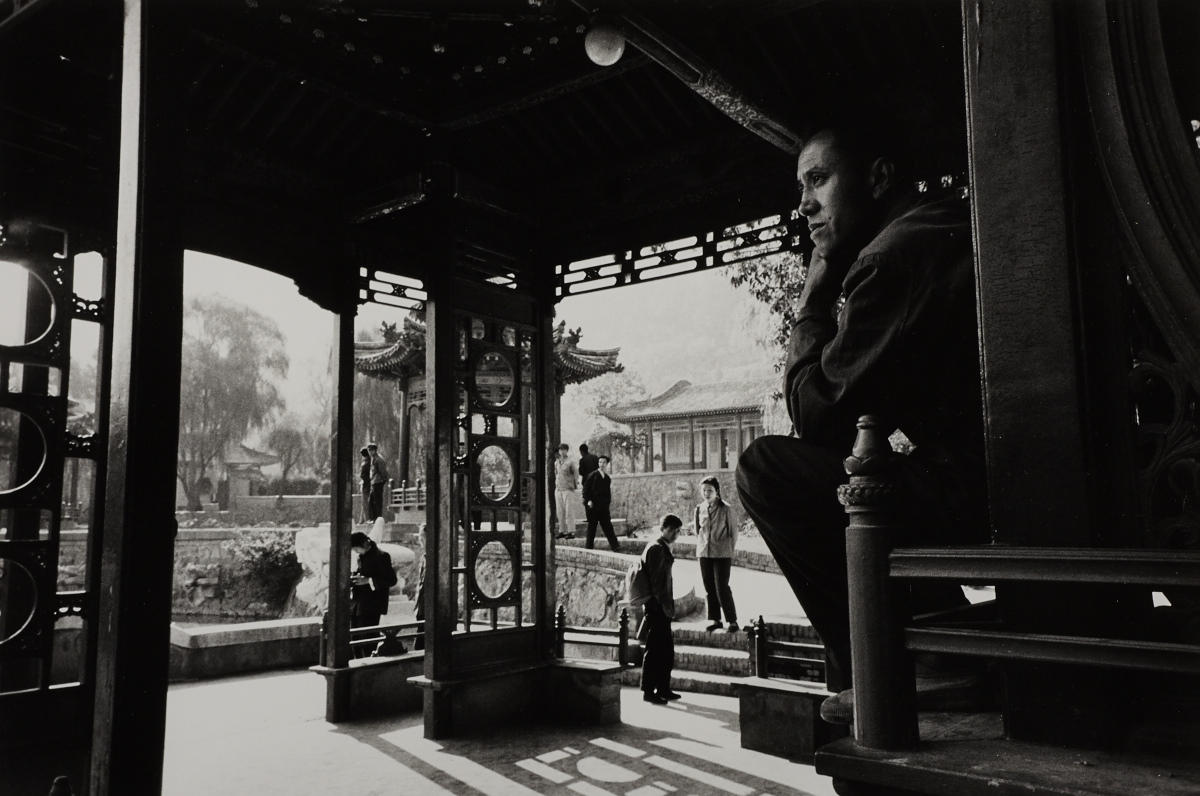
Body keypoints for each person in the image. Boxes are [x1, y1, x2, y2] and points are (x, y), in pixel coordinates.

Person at [734, 111, 989, 723]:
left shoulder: (891, 258)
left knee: (766, 469)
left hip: (982, 489)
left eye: (818, 180)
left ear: (877, 178)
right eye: (801, 187)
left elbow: (816, 414)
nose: (804, 204)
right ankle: (938, 643)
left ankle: (888, 666)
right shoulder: (941, 227)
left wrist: (813, 298)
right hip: (1001, 475)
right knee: (872, 471)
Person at [635, 513, 683, 704]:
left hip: (662, 606)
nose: (675, 534)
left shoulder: (661, 546)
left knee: (665, 650)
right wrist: (662, 606)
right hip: (657, 607)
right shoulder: (656, 548)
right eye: (672, 530)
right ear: (663, 529)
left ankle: (663, 687)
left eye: (678, 531)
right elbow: (656, 582)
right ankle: (648, 690)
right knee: (655, 650)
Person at [695, 476, 739, 633]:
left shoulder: (726, 509)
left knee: (722, 587)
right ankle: (716, 620)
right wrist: (702, 548)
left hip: (722, 554)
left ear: (717, 491)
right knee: (709, 587)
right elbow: (698, 531)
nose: (706, 493)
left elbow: (733, 533)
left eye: (710, 490)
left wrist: (728, 551)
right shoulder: (699, 508)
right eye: (704, 490)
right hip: (704, 553)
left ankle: (732, 621)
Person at [350, 531, 398, 628]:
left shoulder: (382, 556)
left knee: (368, 635)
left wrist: (369, 581)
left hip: (372, 605)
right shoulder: (361, 557)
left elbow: (392, 580)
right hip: (357, 604)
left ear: (364, 544)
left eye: (356, 549)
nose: (355, 551)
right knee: (355, 634)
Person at [582, 455, 621, 552]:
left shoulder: (607, 478)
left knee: (608, 527)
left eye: (604, 462)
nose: (602, 464)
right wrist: (589, 500)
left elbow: (608, 493)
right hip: (593, 506)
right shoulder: (592, 475)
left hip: (603, 507)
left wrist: (607, 504)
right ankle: (588, 548)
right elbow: (585, 490)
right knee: (592, 527)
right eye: (600, 462)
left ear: (607, 464)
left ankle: (615, 546)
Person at [553, 443, 578, 539]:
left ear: (567, 450)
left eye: (564, 449)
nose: (562, 451)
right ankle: (562, 531)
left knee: (569, 511)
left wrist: (574, 486)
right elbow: (556, 474)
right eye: (560, 450)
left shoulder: (570, 462)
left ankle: (571, 531)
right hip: (559, 489)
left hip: (568, 489)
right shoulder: (557, 462)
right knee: (560, 512)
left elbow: (576, 474)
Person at [578, 443, 600, 528]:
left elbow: (581, 472)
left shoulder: (582, 460)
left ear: (581, 451)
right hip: (596, 482)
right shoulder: (595, 457)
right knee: (596, 499)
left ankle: (590, 518)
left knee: (587, 500)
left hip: (587, 483)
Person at [367, 442, 389, 522]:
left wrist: (383, 480)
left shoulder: (379, 460)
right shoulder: (373, 459)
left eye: (371, 450)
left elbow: (383, 472)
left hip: (378, 482)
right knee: (371, 501)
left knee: (377, 501)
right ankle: (373, 518)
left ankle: (378, 518)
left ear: (375, 450)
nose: (370, 452)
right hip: (374, 482)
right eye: (369, 450)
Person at [359, 446, 371, 523]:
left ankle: (366, 519)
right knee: (365, 503)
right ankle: (361, 520)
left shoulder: (364, 464)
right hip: (370, 485)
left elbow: (362, 476)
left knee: (364, 503)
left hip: (365, 486)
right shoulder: (371, 462)